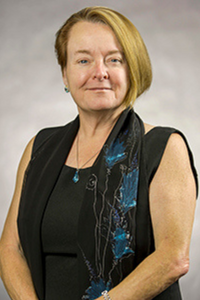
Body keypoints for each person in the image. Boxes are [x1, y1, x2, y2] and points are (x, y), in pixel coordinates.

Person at [0, 6, 198, 300]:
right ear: (65, 74)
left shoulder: (164, 147)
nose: (99, 72)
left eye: (114, 60)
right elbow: (10, 249)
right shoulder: (39, 148)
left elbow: (172, 259)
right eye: (83, 60)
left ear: (133, 70)